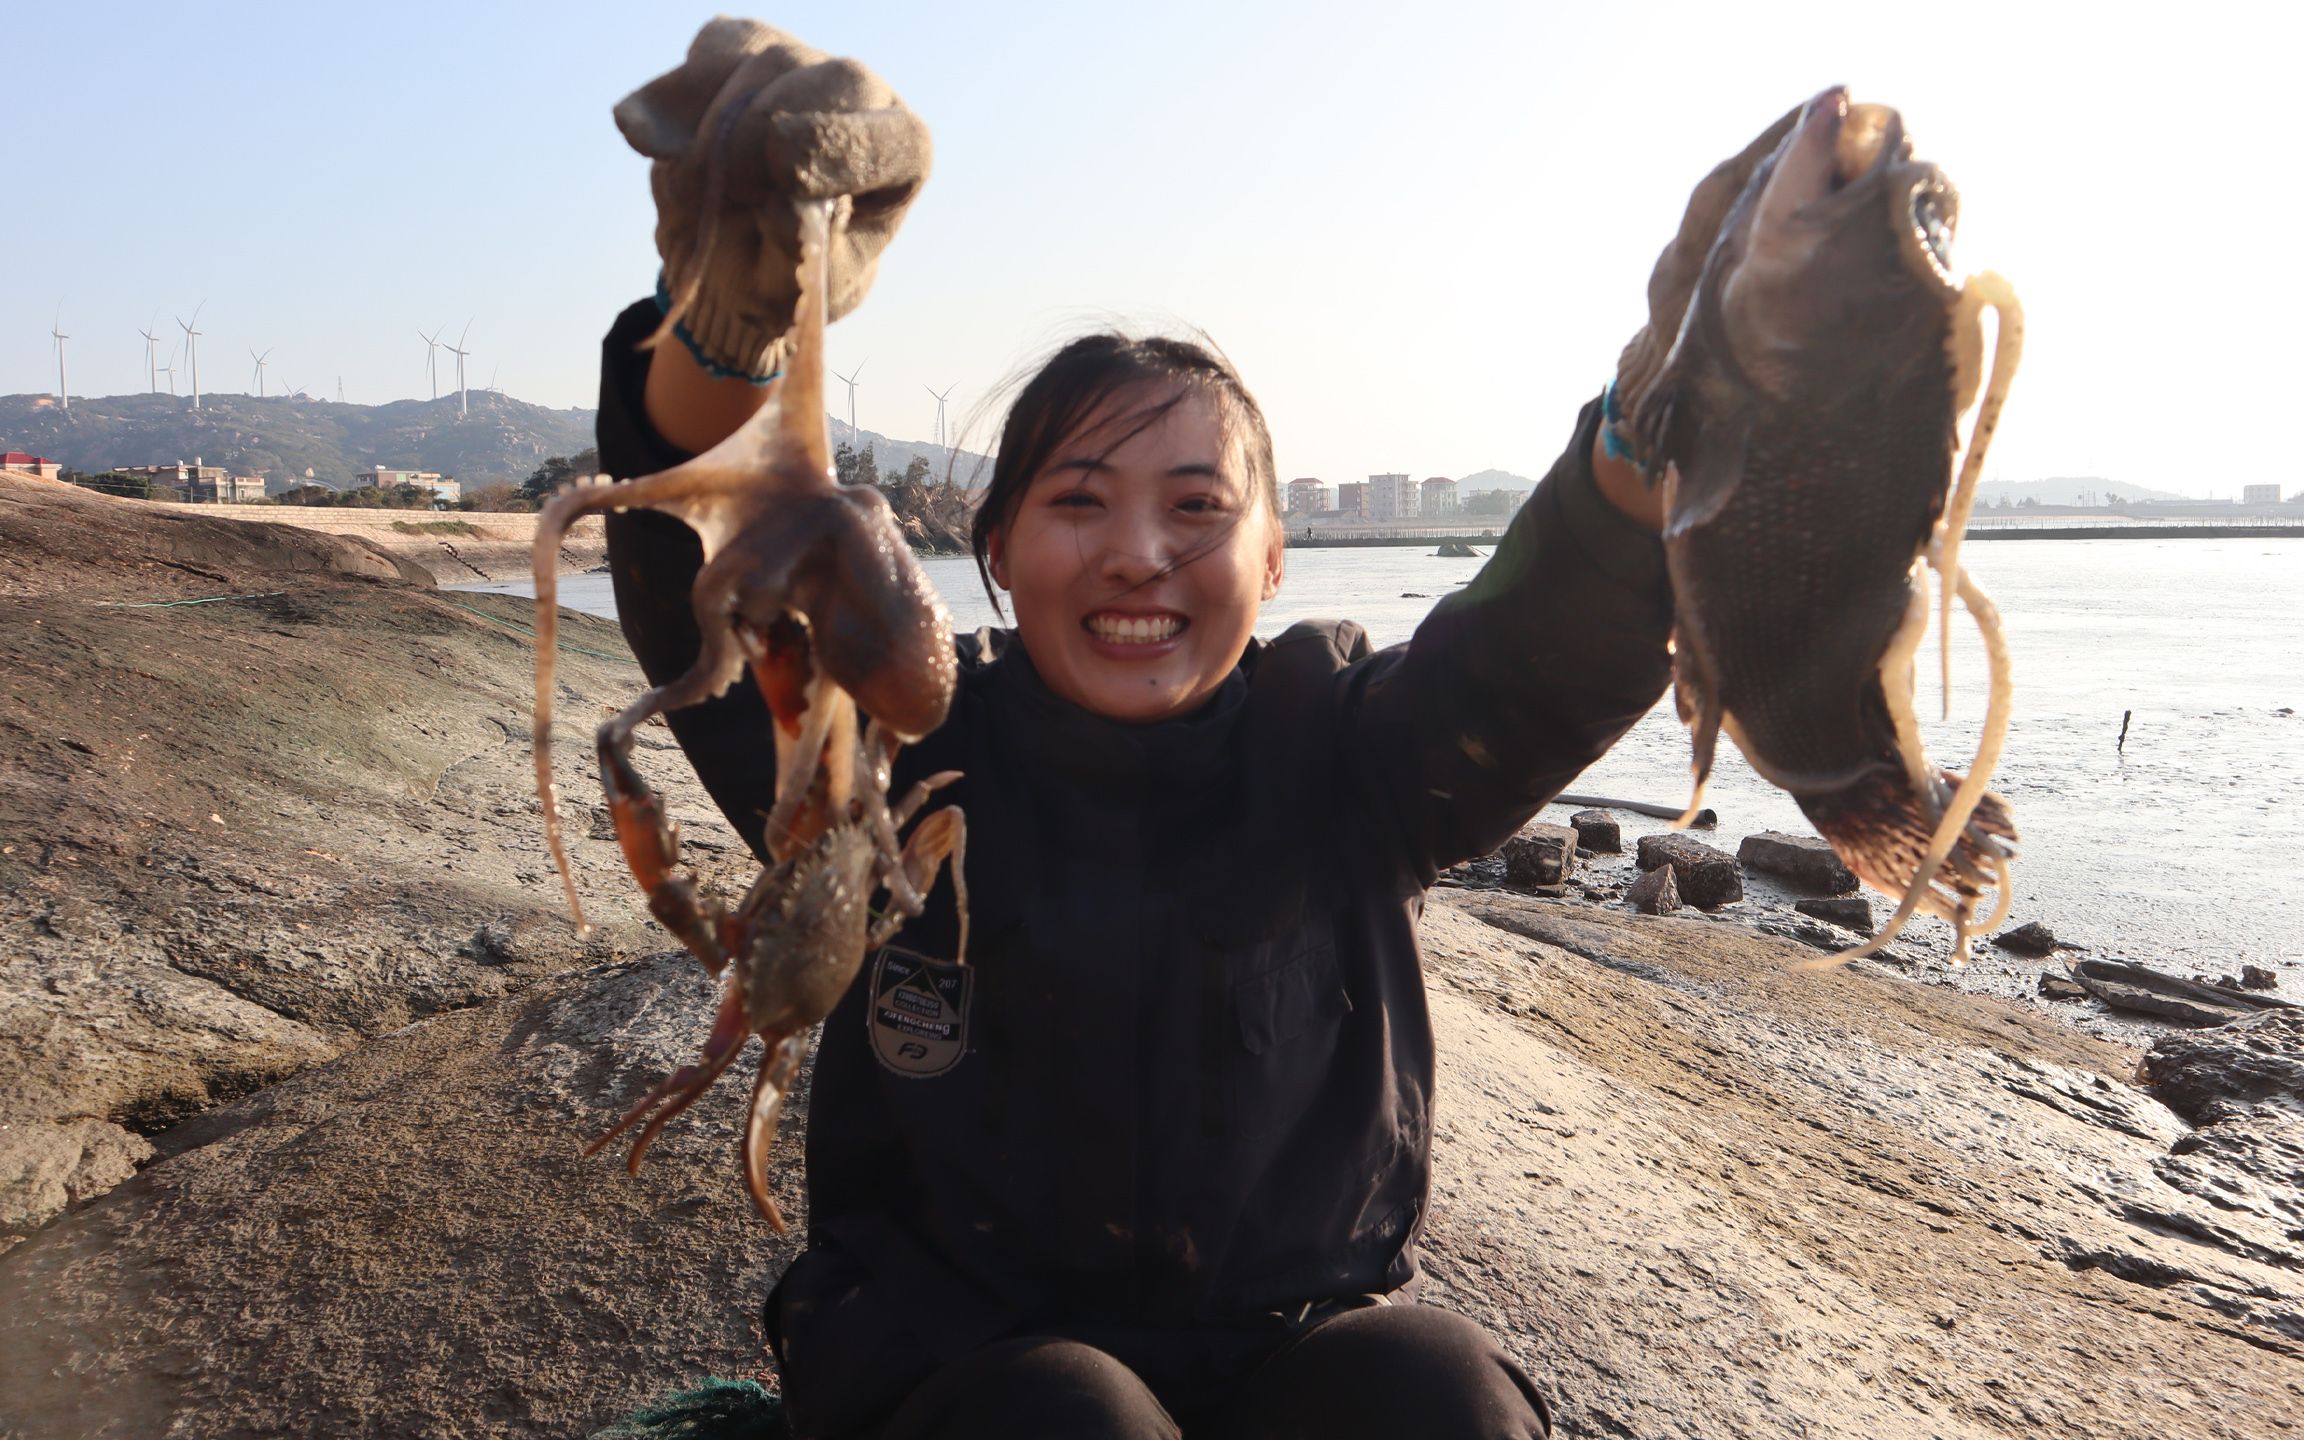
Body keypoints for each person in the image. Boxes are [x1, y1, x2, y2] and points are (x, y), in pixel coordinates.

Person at [593, 19, 1795, 1439]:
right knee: (1070, 1419)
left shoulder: (1347, 752)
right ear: (993, 548)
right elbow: (713, 576)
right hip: (956, 1362)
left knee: (1437, 1394)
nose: (1138, 554)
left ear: (1276, 558)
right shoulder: (894, 752)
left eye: (1199, 508)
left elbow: (1535, 657)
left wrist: (1658, 422)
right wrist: (738, 324)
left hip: (1282, 1352)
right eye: (1080, 501)